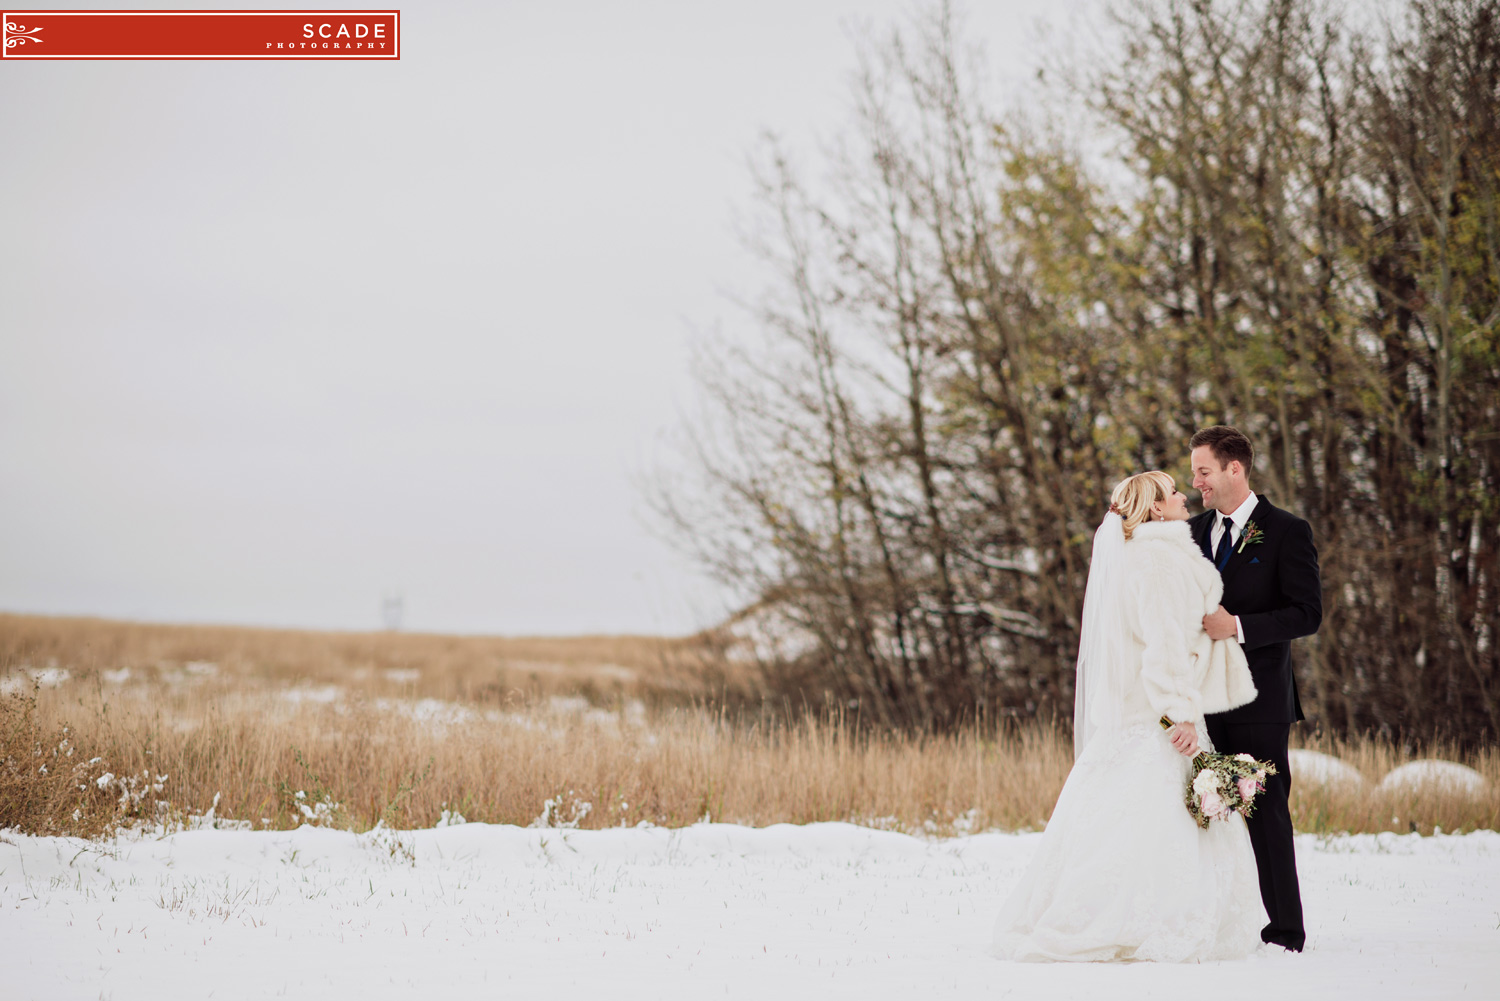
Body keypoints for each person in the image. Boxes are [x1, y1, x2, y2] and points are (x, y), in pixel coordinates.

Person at [992, 471, 1263, 963]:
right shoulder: (1159, 560)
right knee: (1160, 820)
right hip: (1161, 716)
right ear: (1156, 509)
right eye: (1173, 491)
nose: (1183, 496)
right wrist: (1179, 715)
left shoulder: (1140, 556)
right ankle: (1140, 920)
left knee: (1123, 818)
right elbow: (1161, 648)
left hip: (1142, 714)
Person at [1190, 425, 1321, 953]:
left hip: (1259, 698)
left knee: (1265, 813)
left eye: (1203, 471)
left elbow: (1306, 614)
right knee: (1203, 809)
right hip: (1200, 700)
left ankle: (1284, 931)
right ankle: (1218, 924)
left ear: (1233, 470)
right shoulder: (1192, 531)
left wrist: (1237, 627)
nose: (1196, 482)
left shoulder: (1287, 531)